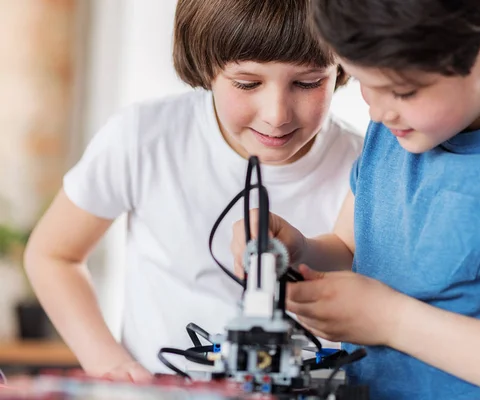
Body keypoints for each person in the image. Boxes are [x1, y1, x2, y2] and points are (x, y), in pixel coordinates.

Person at [231, 0, 480, 398]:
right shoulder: (401, 130)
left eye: (402, 91)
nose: (376, 113)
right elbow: (350, 247)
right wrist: (299, 248)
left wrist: (391, 321)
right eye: (361, 82)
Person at [23, 0, 363, 382]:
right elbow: (53, 255)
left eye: (308, 83)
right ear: (206, 67)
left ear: (343, 70)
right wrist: (112, 367)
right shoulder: (144, 136)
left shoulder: (366, 165)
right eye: (247, 83)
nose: (276, 114)